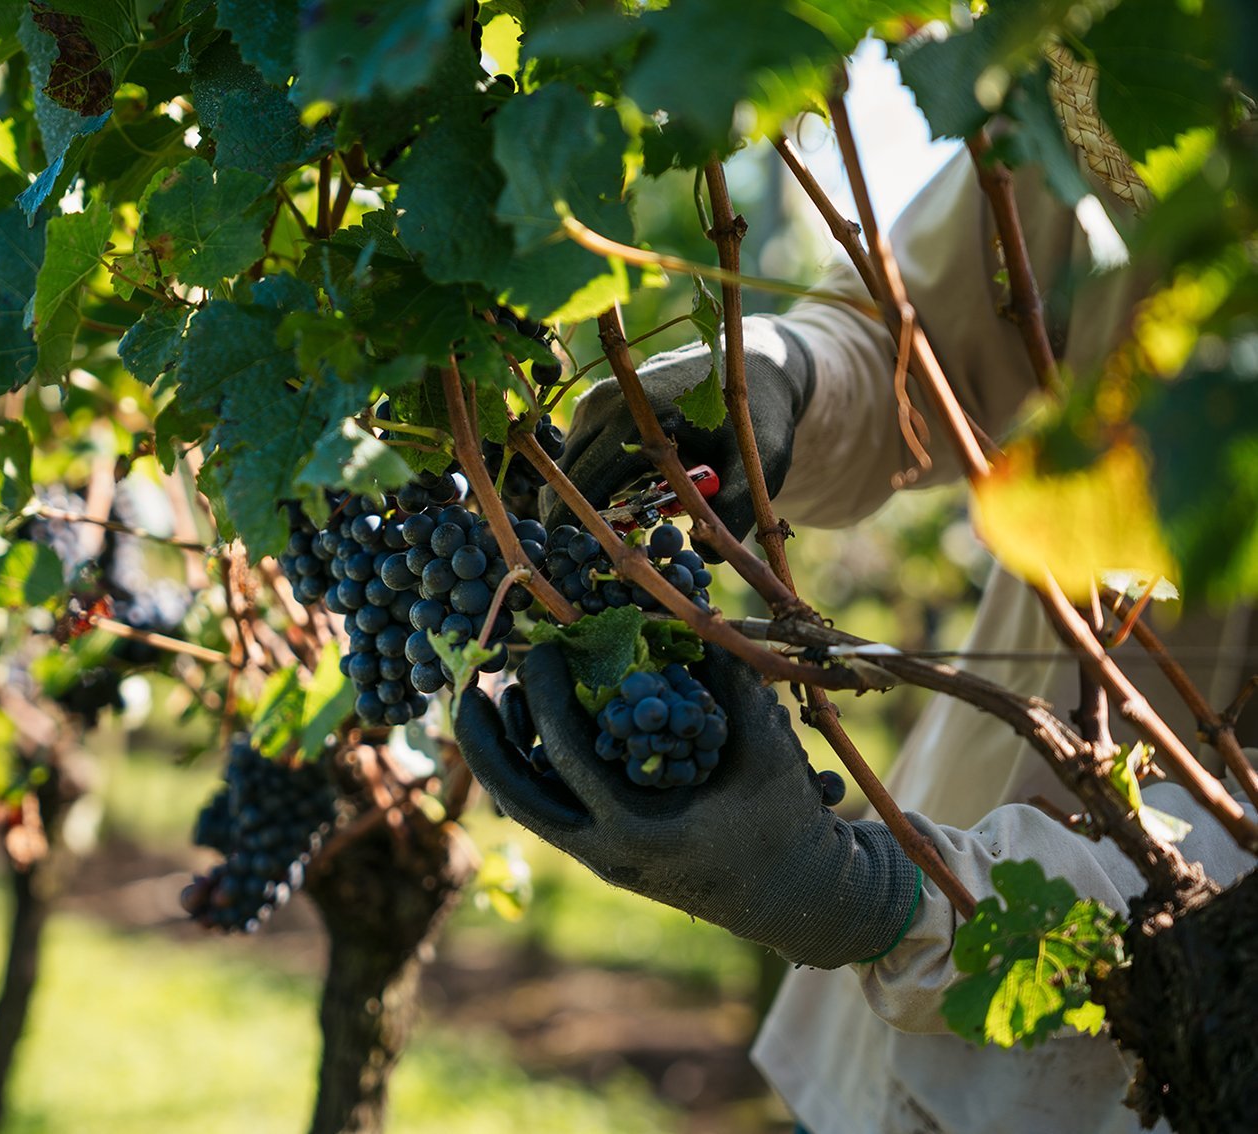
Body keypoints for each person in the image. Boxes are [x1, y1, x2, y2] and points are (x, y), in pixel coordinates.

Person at [455, 137, 1258, 1132]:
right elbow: (918, 340)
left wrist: (881, 901)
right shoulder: (1137, 73)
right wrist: (776, 378)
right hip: (867, 1050)